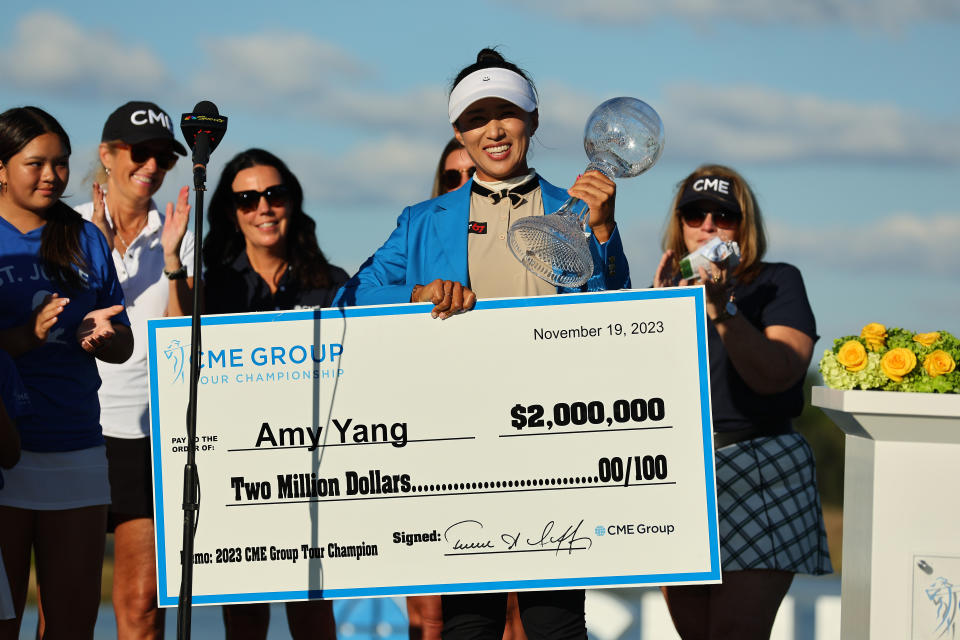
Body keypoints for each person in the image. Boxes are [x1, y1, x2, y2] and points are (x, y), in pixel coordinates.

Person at [336, 48, 630, 640]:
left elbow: (614, 324)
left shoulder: (576, 209)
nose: (493, 130)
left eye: (507, 113)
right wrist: (415, 296)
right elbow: (351, 299)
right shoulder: (422, 220)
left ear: (534, 119)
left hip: (552, 438)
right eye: (476, 118)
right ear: (457, 133)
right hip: (457, 442)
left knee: (555, 622)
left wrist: (603, 232)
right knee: (470, 621)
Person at [652, 164, 832, 639]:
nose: (708, 224)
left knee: (736, 633)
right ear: (680, 223)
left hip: (759, 463)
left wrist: (721, 309)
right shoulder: (662, 291)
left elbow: (778, 374)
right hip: (681, 471)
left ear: (744, 225)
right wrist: (656, 311)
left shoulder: (776, 281)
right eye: (695, 213)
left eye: (724, 215)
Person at [0, 106, 133, 639]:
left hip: (76, 447)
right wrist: (22, 338)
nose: (52, 175)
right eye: (35, 163)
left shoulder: (86, 239)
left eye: (60, 164)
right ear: (2, 168)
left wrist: (104, 338)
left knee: (73, 626)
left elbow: (120, 345)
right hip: (4, 455)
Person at [203, 148, 347, 639]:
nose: (262, 207)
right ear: (230, 212)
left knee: (312, 615)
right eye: (247, 199)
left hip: (316, 472)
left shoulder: (333, 285)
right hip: (239, 474)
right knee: (244, 620)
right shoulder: (210, 289)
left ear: (292, 201)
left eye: (274, 194)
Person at [73, 100, 193, 639]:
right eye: (140, 153)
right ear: (107, 155)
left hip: (148, 435)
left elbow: (184, 335)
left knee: (143, 606)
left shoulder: (178, 231)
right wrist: (93, 249)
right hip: (71, 430)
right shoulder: (66, 226)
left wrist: (172, 260)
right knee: (66, 607)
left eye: (164, 158)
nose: (152, 166)